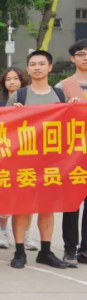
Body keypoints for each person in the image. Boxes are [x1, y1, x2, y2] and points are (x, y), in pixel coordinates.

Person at [7, 50, 73, 269]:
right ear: (27, 69)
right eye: (33, 64)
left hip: (52, 163)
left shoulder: (60, 96)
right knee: (22, 207)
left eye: (41, 64)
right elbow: (3, 129)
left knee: (47, 207)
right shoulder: (19, 96)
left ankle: (45, 252)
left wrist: (73, 107)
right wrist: (13, 114)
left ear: (50, 67)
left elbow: (70, 127)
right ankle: (19, 251)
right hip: (24, 162)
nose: (37, 67)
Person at [0, 67, 29, 249]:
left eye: (15, 78)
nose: (12, 82)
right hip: (4, 155)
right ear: (3, 83)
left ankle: (26, 234)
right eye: (8, 79)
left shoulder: (30, 102)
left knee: (26, 198)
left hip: (26, 155)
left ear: (22, 81)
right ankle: (4, 233)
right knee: (4, 198)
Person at [59, 40, 87, 264]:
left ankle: (85, 250)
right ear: (72, 58)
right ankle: (70, 248)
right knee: (71, 202)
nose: (85, 58)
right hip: (73, 153)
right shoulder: (63, 86)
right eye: (81, 54)